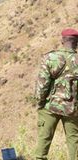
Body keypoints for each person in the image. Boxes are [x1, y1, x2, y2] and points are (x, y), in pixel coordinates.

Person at [35, 28, 78, 160]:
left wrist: (40, 102)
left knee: (43, 143)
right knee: (74, 143)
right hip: (73, 109)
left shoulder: (51, 57)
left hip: (50, 106)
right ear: (76, 42)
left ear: (62, 41)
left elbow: (42, 85)